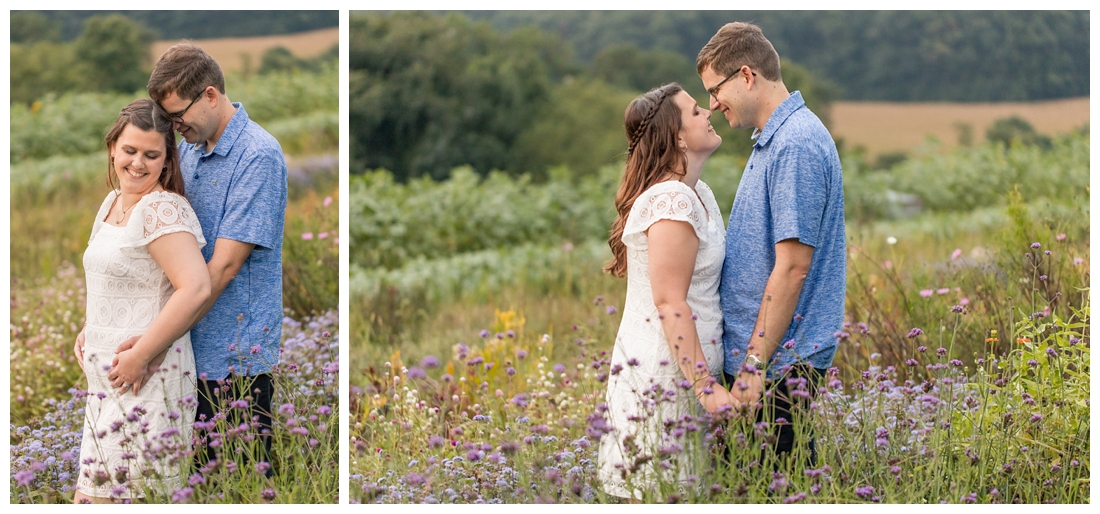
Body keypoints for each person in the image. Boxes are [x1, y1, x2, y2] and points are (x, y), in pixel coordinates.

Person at [117, 41, 288, 472]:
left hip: (234, 359)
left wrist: (152, 345)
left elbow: (225, 266)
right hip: (184, 348)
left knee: (240, 482)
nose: (173, 127)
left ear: (210, 95)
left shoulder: (257, 155)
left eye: (178, 115)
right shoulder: (192, 147)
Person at [697, 22, 846, 463]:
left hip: (778, 364)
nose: (711, 104)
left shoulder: (795, 144)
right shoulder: (775, 138)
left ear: (746, 76)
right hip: (765, 360)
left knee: (778, 489)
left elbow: (793, 266)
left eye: (714, 89)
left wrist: (755, 366)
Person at [596, 82, 739, 500]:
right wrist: (707, 389)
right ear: (677, 136)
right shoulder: (672, 199)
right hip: (667, 376)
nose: (708, 112)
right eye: (696, 111)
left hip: (690, 373)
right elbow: (670, 301)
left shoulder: (699, 193)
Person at [72, 99, 210, 503]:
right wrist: (91, 328)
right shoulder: (111, 203)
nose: (138, 163)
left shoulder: (162, 208)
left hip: (146, 377)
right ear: (113, 147)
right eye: (130, 151)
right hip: (105, 382)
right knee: (90, 499)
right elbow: (118, 280)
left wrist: (142, 355)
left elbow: (196, 288)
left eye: (152, 155)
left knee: (125, 498)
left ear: (167, 161)